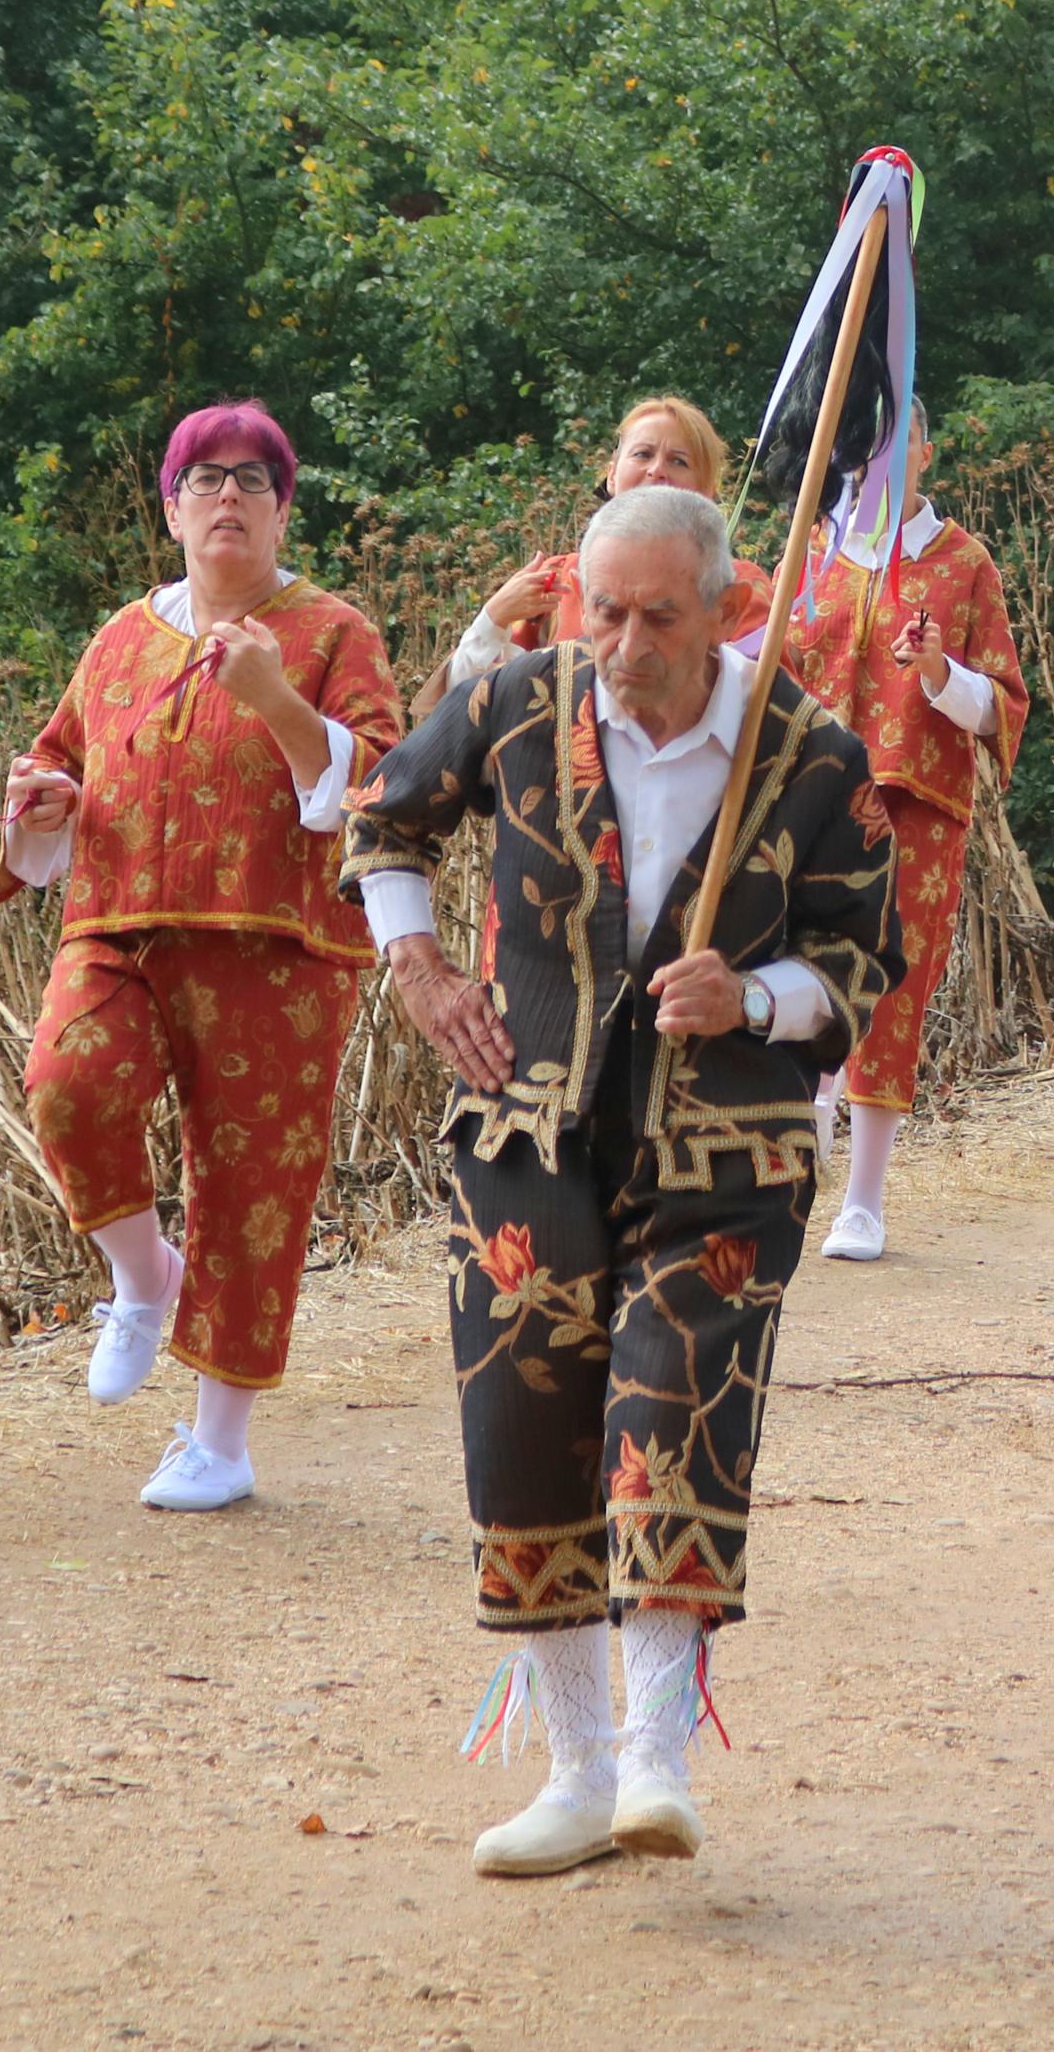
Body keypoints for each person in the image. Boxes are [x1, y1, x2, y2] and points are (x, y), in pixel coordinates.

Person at [346, 484, 896, 1876]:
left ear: (723, 607)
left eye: (659, 614)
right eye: (604, 610)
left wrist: (754, 993)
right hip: (524, 1124)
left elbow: (861, 959)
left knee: (671, 1410)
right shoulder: (519, 703)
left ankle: (655, 1760)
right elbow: (383, 819)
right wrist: (417, 968)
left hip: (723, 1143)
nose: (627, 642)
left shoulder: (811, 750)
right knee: (525, 1432)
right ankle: (572, 1773)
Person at [0, 401, 406, 1513]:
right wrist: (40, 805)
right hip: (119, 920)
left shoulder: (333, 632)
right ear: (171, 508)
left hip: (280, 942)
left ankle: (218, 1440)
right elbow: (55, 770)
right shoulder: (120, 637)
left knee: (253, 1186)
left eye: (254, 480)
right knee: (66, 1081)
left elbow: (378, 778)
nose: (229, 496)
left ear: (283, 508)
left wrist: (273, 694)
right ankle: (142, 1277)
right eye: (205, 479)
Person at [783, 432, 1027, 1264]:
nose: (876, 461)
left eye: (895, 441)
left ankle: (864, 1198)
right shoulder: (809, 549)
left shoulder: (964, 563)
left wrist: (937, 672)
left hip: (913, 803)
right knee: (789, 964)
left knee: (892, 986)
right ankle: (793, 1145)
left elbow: (1001, 706)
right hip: (800, 798)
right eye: (863, 444)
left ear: (925, 449)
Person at [437, 397, 754, 701]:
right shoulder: (556, 579)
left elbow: (764, 702)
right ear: (612, 475)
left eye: (678, 461)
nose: (657, 470)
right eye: (643, 454)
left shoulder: (738, 587)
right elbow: (471, 702)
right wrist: (494, 618)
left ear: (708, 490)